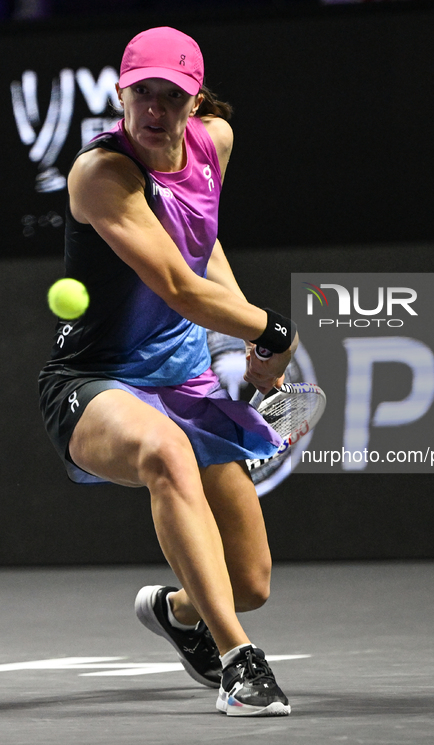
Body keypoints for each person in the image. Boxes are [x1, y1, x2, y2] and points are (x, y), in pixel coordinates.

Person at [39, 26, 297, 717]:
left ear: (195, 102)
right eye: (141, 94)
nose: (154, 110)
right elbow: (178, 288)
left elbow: (202, 250)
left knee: (248, 580)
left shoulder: (215, 143)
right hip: (96, 382)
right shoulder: (102, 174)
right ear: (121, 94)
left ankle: (179, 612)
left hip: (183, 378)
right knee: (163, 447)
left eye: (171, 97)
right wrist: (271, 328)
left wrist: (254, 351)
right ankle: (240, 663)